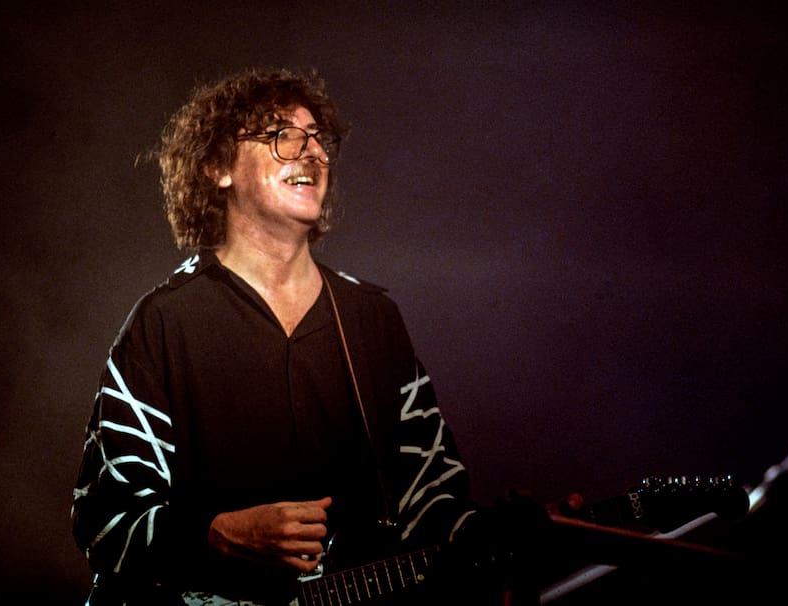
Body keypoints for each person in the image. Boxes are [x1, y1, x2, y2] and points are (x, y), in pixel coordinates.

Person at [70, 66, 494, 606]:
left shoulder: (371, 319)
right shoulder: (163, 323)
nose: (312, 152)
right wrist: (217, 534)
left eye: (317, 138)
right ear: (218, 167)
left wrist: (490, 534)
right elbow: (105, 520)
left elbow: (431, 494)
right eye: (282, 136)